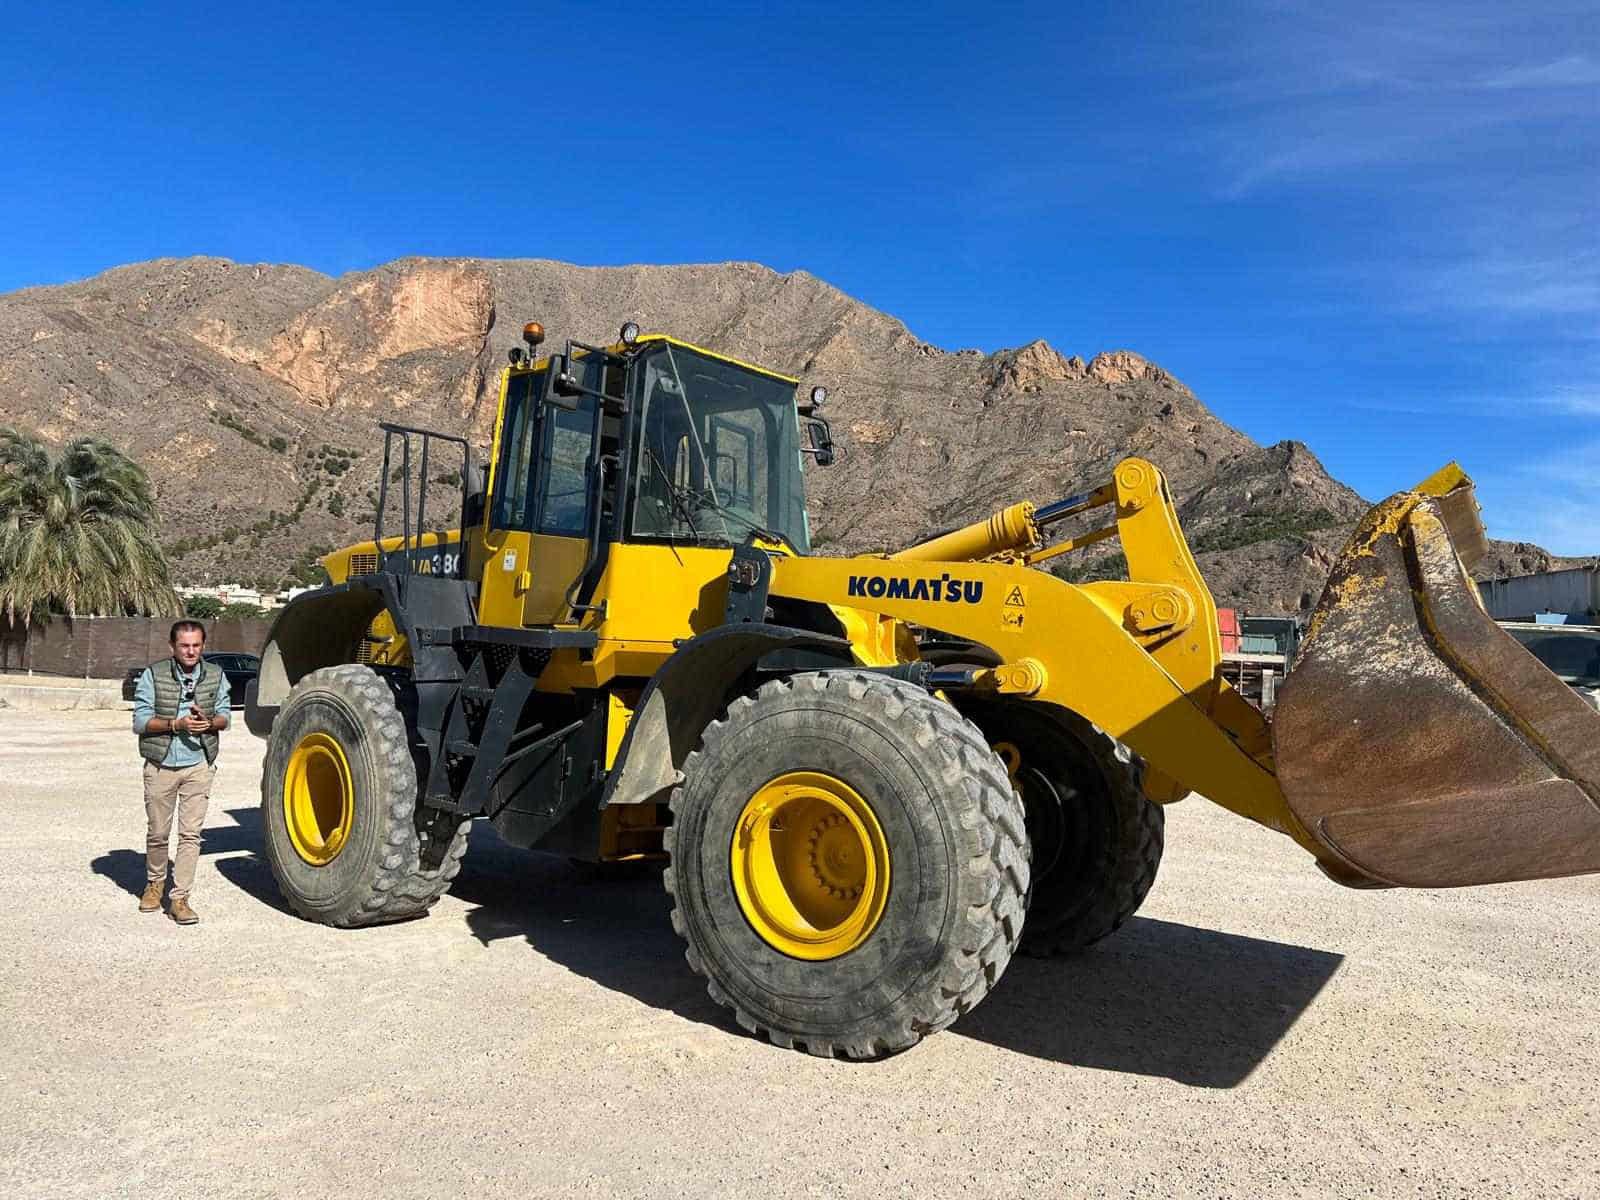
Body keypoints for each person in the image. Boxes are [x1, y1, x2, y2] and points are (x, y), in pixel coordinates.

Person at [131, 620, 230, 925]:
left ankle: (180, 898)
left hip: (198, 764)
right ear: (172, 647)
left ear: (203, 646)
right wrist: (177, 724)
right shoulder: (153, 674)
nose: (190, 651)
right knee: (158, 833)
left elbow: (225, 716)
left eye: (196, 645)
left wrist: (209, 722)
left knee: (191, 835)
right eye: (184, 645)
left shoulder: (215, 675)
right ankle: (154, 884)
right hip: (160, 764)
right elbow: (140, 721)